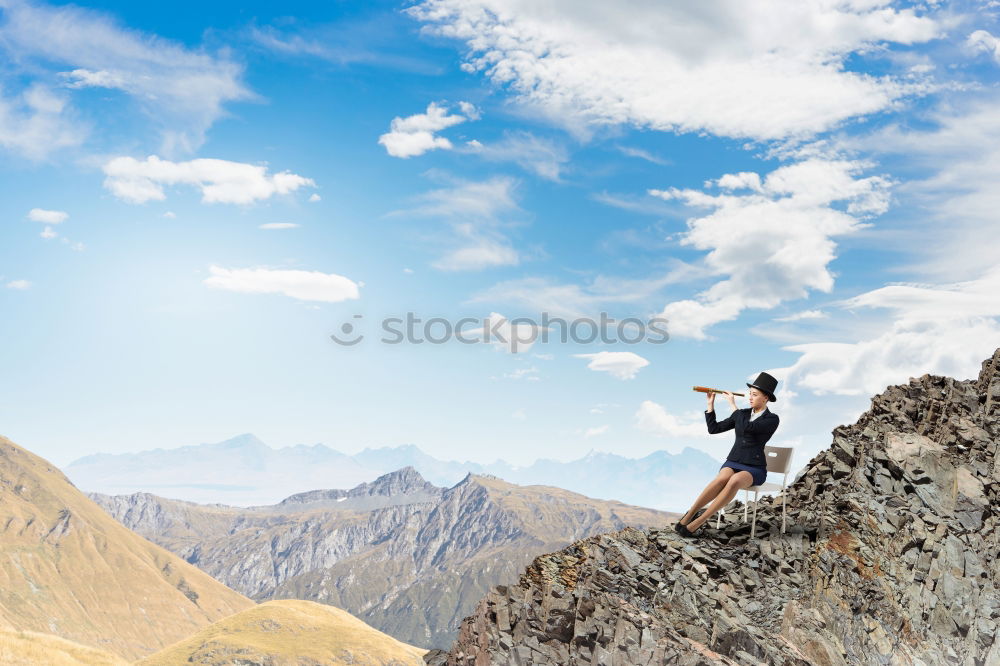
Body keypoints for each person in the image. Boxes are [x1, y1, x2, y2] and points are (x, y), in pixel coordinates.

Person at [676, 372, 780, 538]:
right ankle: (688, 516)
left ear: (766, 398)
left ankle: (699, 522)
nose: (750, 398)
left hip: (754, 467)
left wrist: (733, 406)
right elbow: (714, 429)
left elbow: (748, 429)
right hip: (734, 461)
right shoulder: (743, 414)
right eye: (750, 394)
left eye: (754, 395)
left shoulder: (772, 419)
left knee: (734, 481)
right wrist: (710, 405)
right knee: (721, 479)